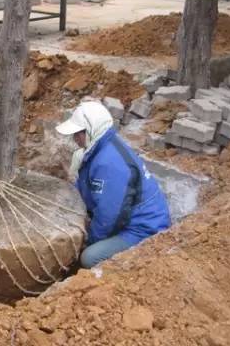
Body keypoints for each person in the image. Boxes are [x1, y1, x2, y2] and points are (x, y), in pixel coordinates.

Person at [56, 101, 171, 268]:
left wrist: (87, 241)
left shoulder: (109, 164)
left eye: (78, 133)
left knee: (88, 258)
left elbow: (110, 216)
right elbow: (88, 188)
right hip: (128, 218)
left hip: (144, 228)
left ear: (91, 130)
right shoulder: (100, 148)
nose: (75, 139)